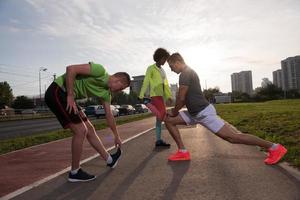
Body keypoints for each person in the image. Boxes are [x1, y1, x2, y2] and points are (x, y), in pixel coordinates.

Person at [164, 53, 287, 164]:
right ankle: (183, 152)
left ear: (177, 62)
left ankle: (275, 148)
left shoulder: (185, 73)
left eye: (171, 66)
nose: (171, 69)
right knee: (169, 121)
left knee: (233, 137)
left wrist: (174, 111)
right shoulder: (188, 73)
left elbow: (181, 98)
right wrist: (173, 112)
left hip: (203, 113)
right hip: (194, 113)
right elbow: (185, 98)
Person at [45, 62, 130, 182]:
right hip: (58, 91)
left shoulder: (106, 94)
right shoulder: (99, 71)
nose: (119, 91)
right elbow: (71, 69)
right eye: (121, 88)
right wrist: (70, 95)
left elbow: (109, 115)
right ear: (117, 79)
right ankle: (75, 172)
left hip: (69, 97)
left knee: (89, 129)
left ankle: (110, 160)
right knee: (81, 131)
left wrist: (116, 136)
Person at [139, 48, 173, 148]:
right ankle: (147, 102)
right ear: (160, 57)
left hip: (161, 96)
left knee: (159, 119)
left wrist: (169, 96)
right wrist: (141, 95)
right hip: (154, 95)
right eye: (164, 59)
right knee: (162, 116)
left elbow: (166, 84)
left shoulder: (163, 71)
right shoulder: (151, 68)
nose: (165, 61)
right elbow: (146, 81)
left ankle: (158, 140)